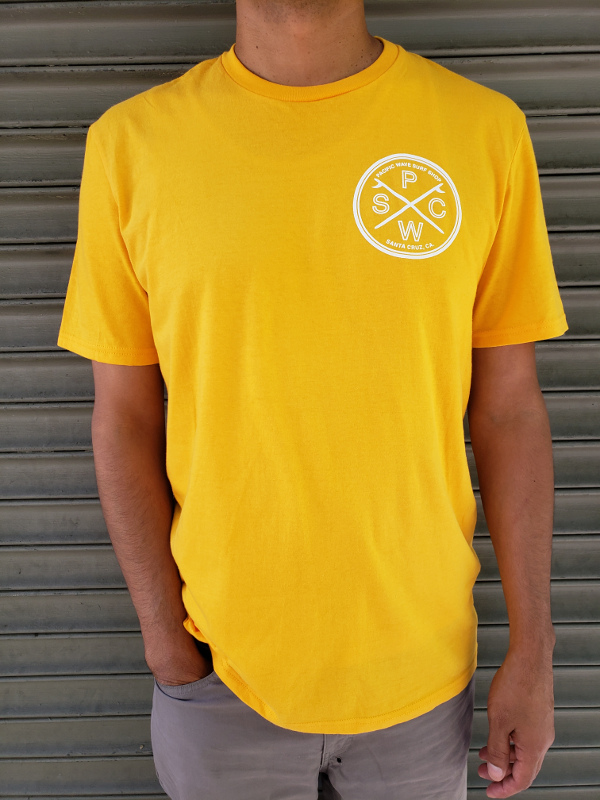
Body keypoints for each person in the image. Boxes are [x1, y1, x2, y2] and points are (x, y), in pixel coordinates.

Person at [57, 1, 567, 797]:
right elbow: (122, 417)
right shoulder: (132, 144)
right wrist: (166, 642)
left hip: (423, 674)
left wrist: (533, 652)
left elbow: (509, 410)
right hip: (219, 673)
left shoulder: (482, 130)